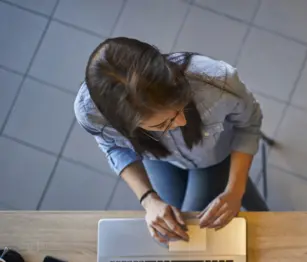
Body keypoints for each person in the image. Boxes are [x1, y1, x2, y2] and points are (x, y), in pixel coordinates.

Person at [75, 37, 268, 244]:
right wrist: (148, 199)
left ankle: (259, 208)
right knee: (173, 232)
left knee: (188, 233)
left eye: (180, 105)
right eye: (161, 125)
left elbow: (248, 125)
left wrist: (235, 190)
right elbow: (113, 147)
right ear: (124, 124)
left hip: (215, 157)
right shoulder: (91, 114)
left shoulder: (217, 81)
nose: (182, 121)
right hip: (159, 159)